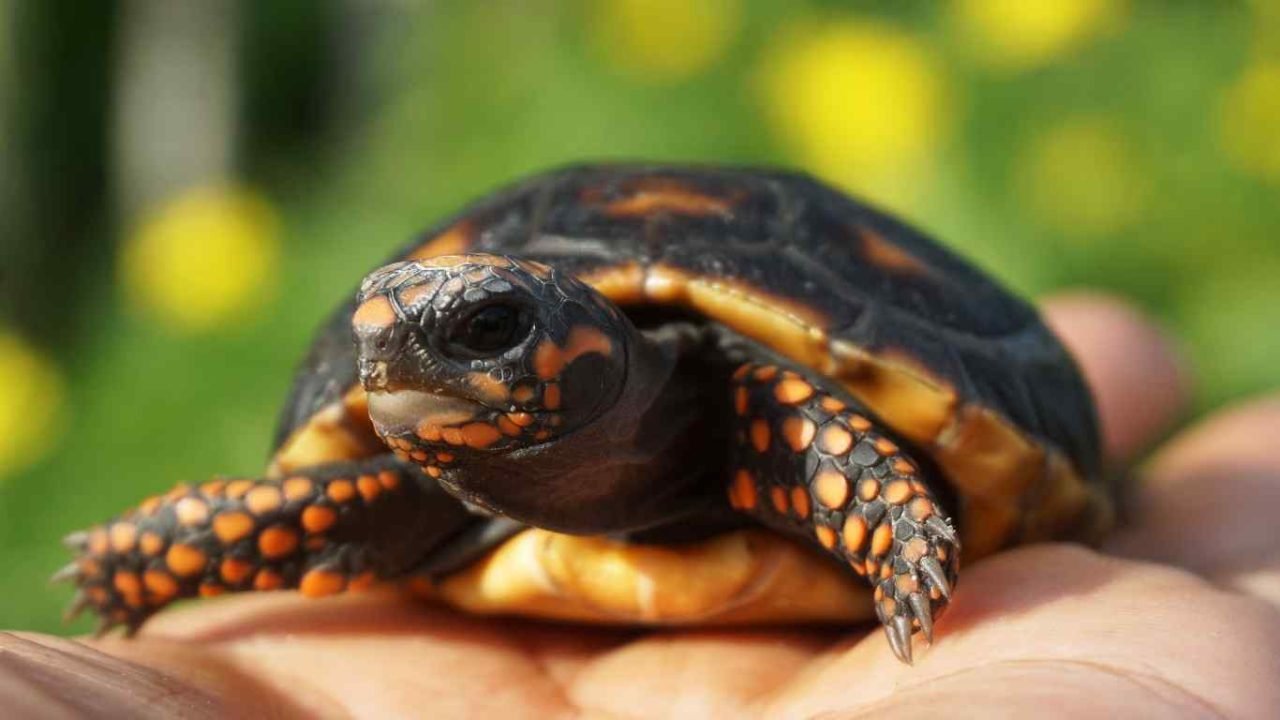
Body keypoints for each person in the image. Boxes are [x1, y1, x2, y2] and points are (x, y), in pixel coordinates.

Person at [3, 293, 1277, 718]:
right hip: (488, 527)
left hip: (780, 449)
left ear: (598, 351)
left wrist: (888, 516)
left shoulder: (739, 402)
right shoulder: (417, 492)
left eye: (484, 334)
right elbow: (269, 513)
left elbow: (786, 413)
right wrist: (147, 563)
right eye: (375, 341)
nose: (401, 366)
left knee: (792, 417)